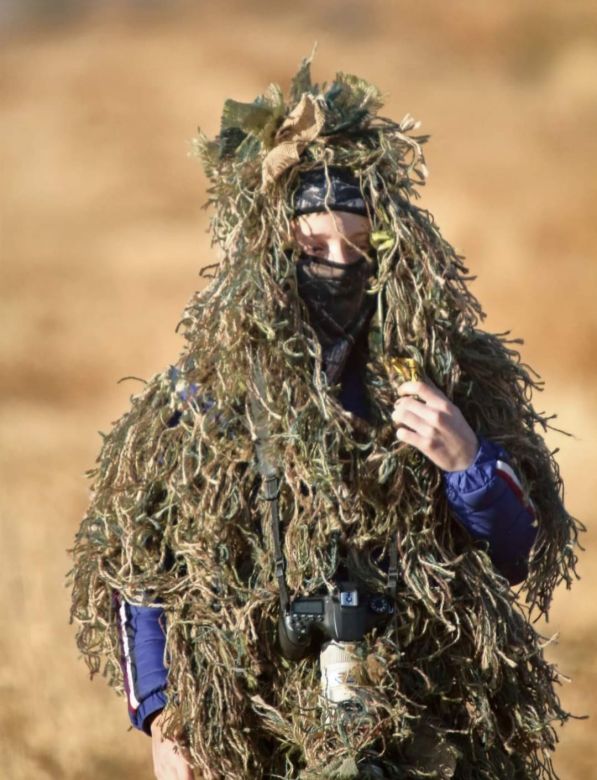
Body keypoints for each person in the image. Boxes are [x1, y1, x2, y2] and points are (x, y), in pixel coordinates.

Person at [69, 55, 582, 780]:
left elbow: (521, 555)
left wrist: (466, 463)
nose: (338, 265)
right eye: (313, 249)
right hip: (258, 725)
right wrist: (163, 717)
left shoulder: (449, 373)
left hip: (426, 712)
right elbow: (137, 565)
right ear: (270, 255)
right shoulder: (205, 393)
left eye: (359, 246)